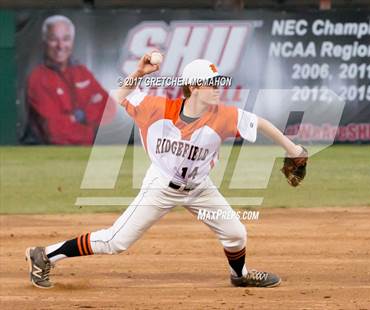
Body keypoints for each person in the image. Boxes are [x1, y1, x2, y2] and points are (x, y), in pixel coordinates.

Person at [25, 52, 307, 288]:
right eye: (212, 84)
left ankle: (239, 275)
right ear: (194, 87)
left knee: (236, 233)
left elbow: (261, 123)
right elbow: (118, 97)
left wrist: (292, 149)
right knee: (115, 241)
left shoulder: (224, 115)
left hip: (199, 188)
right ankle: (44, 255)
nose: (218, 88)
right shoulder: (156, 108)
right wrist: (139, 72)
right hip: (160, 187)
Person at [24, 15, 114, 145]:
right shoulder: (37, 78)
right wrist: (88, 123)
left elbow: (109, 108)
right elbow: (54, 132)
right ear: (44, 41)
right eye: (53, 39)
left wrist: (80, 116)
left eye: (66, 39)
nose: (60, 46)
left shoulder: (82, 72)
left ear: (72, 41)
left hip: (88, 152)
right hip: (52, 155)